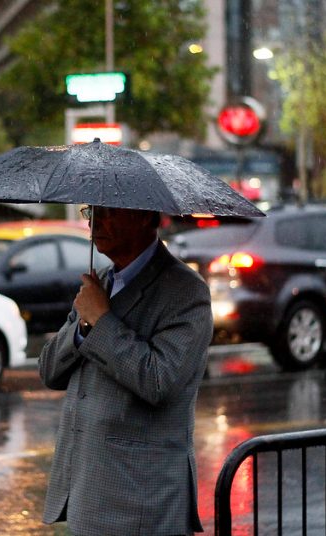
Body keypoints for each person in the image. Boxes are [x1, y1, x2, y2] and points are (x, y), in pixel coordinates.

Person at [39, 205, 213, 536]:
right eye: (92, 210)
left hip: (143, 506)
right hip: (86, 496)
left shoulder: (186, 292)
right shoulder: (101, 281)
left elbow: (159, 381)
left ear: (147, 217)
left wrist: (102, 321)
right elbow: (49, 371)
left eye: (108, 211)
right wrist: (84, 327)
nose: (95, 221)